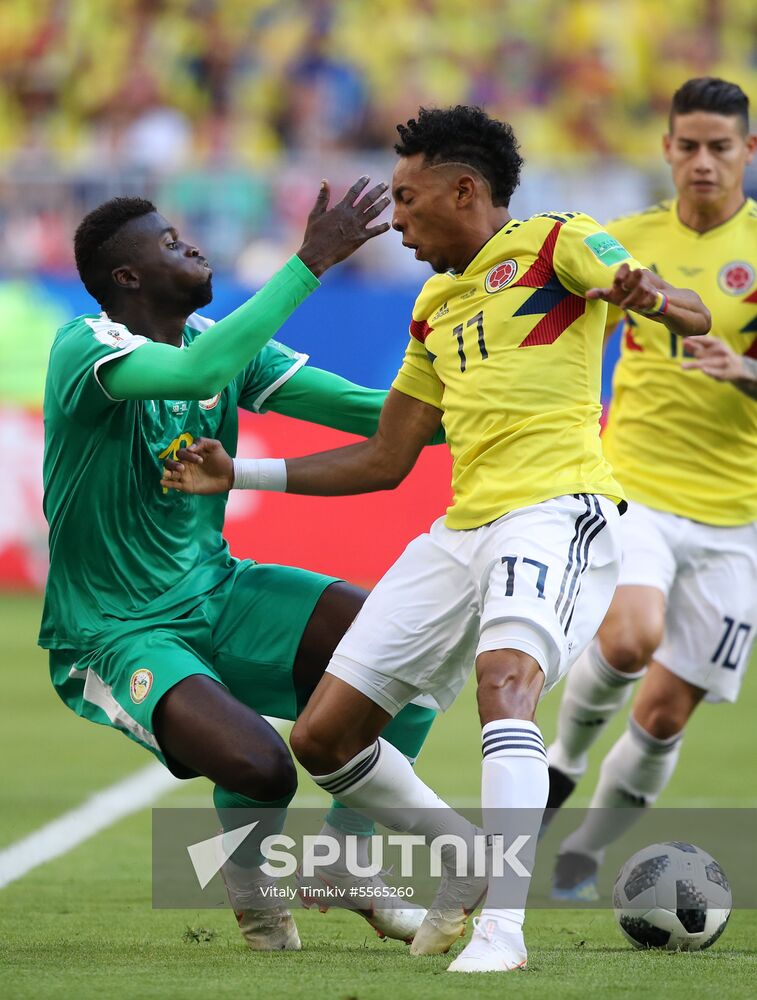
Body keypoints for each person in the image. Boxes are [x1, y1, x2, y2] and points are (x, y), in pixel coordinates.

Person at [161, 104, 711, 974]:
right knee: (321, 737)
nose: (401, 224)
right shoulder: (433, 304)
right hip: (460, 530)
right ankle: (466, 864)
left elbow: (682, 311)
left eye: (410, 201)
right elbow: (387, 457)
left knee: (506, 683)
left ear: (465, 189)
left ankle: (504, 928)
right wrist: (242, 475)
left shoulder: (558, 241)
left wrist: (653, 297)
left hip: (557, 510)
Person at [40, 180, 443, 953]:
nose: (189, 245)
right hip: (116, 633)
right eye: (167, 242)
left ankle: (345, 859)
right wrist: (309, 263)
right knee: (264, 768)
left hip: (219, 591)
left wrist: (494, 414)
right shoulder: (85, 347)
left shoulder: (217, 343)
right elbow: (195, 378)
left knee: (407, 648)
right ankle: (256, 899)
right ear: (126, 278)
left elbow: (368, 411)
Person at [543, 77, 757, 900]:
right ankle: (560, 764)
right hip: (631, 483)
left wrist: (744, 372)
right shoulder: (618, 243)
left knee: (665, 715)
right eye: (688, 145)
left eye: (720, 146)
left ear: (746, 152)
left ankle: (585, 851)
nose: (702, 162)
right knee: (629, 638)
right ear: (666, 149)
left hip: (737, 517)